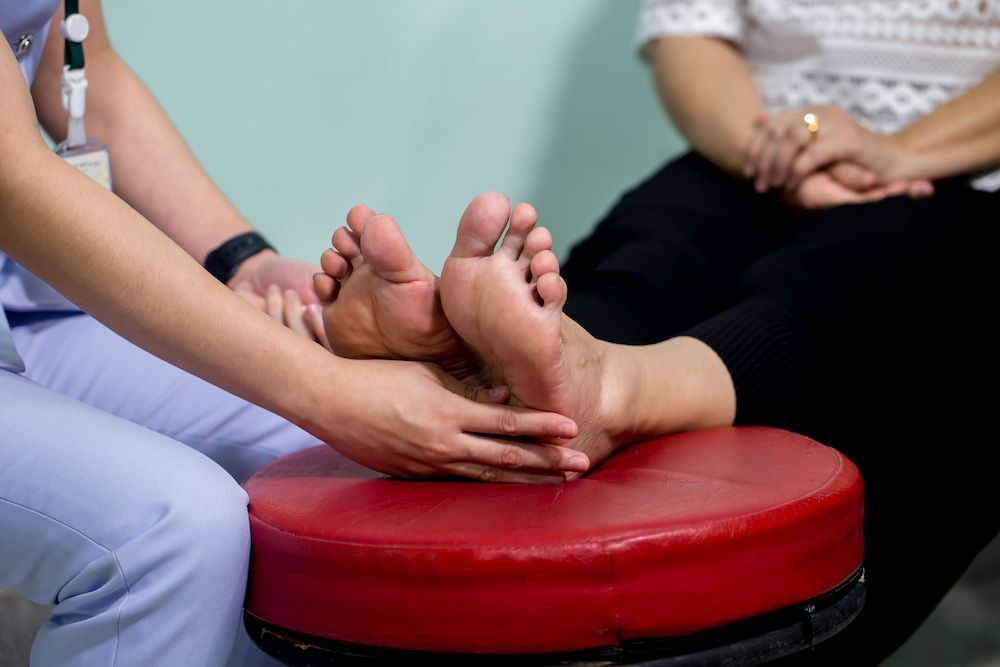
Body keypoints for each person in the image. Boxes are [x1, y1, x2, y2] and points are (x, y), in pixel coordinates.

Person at [312, 1, 1000, 662]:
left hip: (962, 177)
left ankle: (604, 387)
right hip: (758, 153)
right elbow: (690, 34)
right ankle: (492, 371)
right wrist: (781, 151)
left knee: (841, 283)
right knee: (653, 253)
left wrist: (898, 153)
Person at [0, 1, 591, 664]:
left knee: (322, 464)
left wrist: (243, 262)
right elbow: (12, 176)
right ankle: (535, 372)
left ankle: (479, 370)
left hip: (24, 302)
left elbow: (83, 69)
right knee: (177, 530)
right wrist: (332, 390)